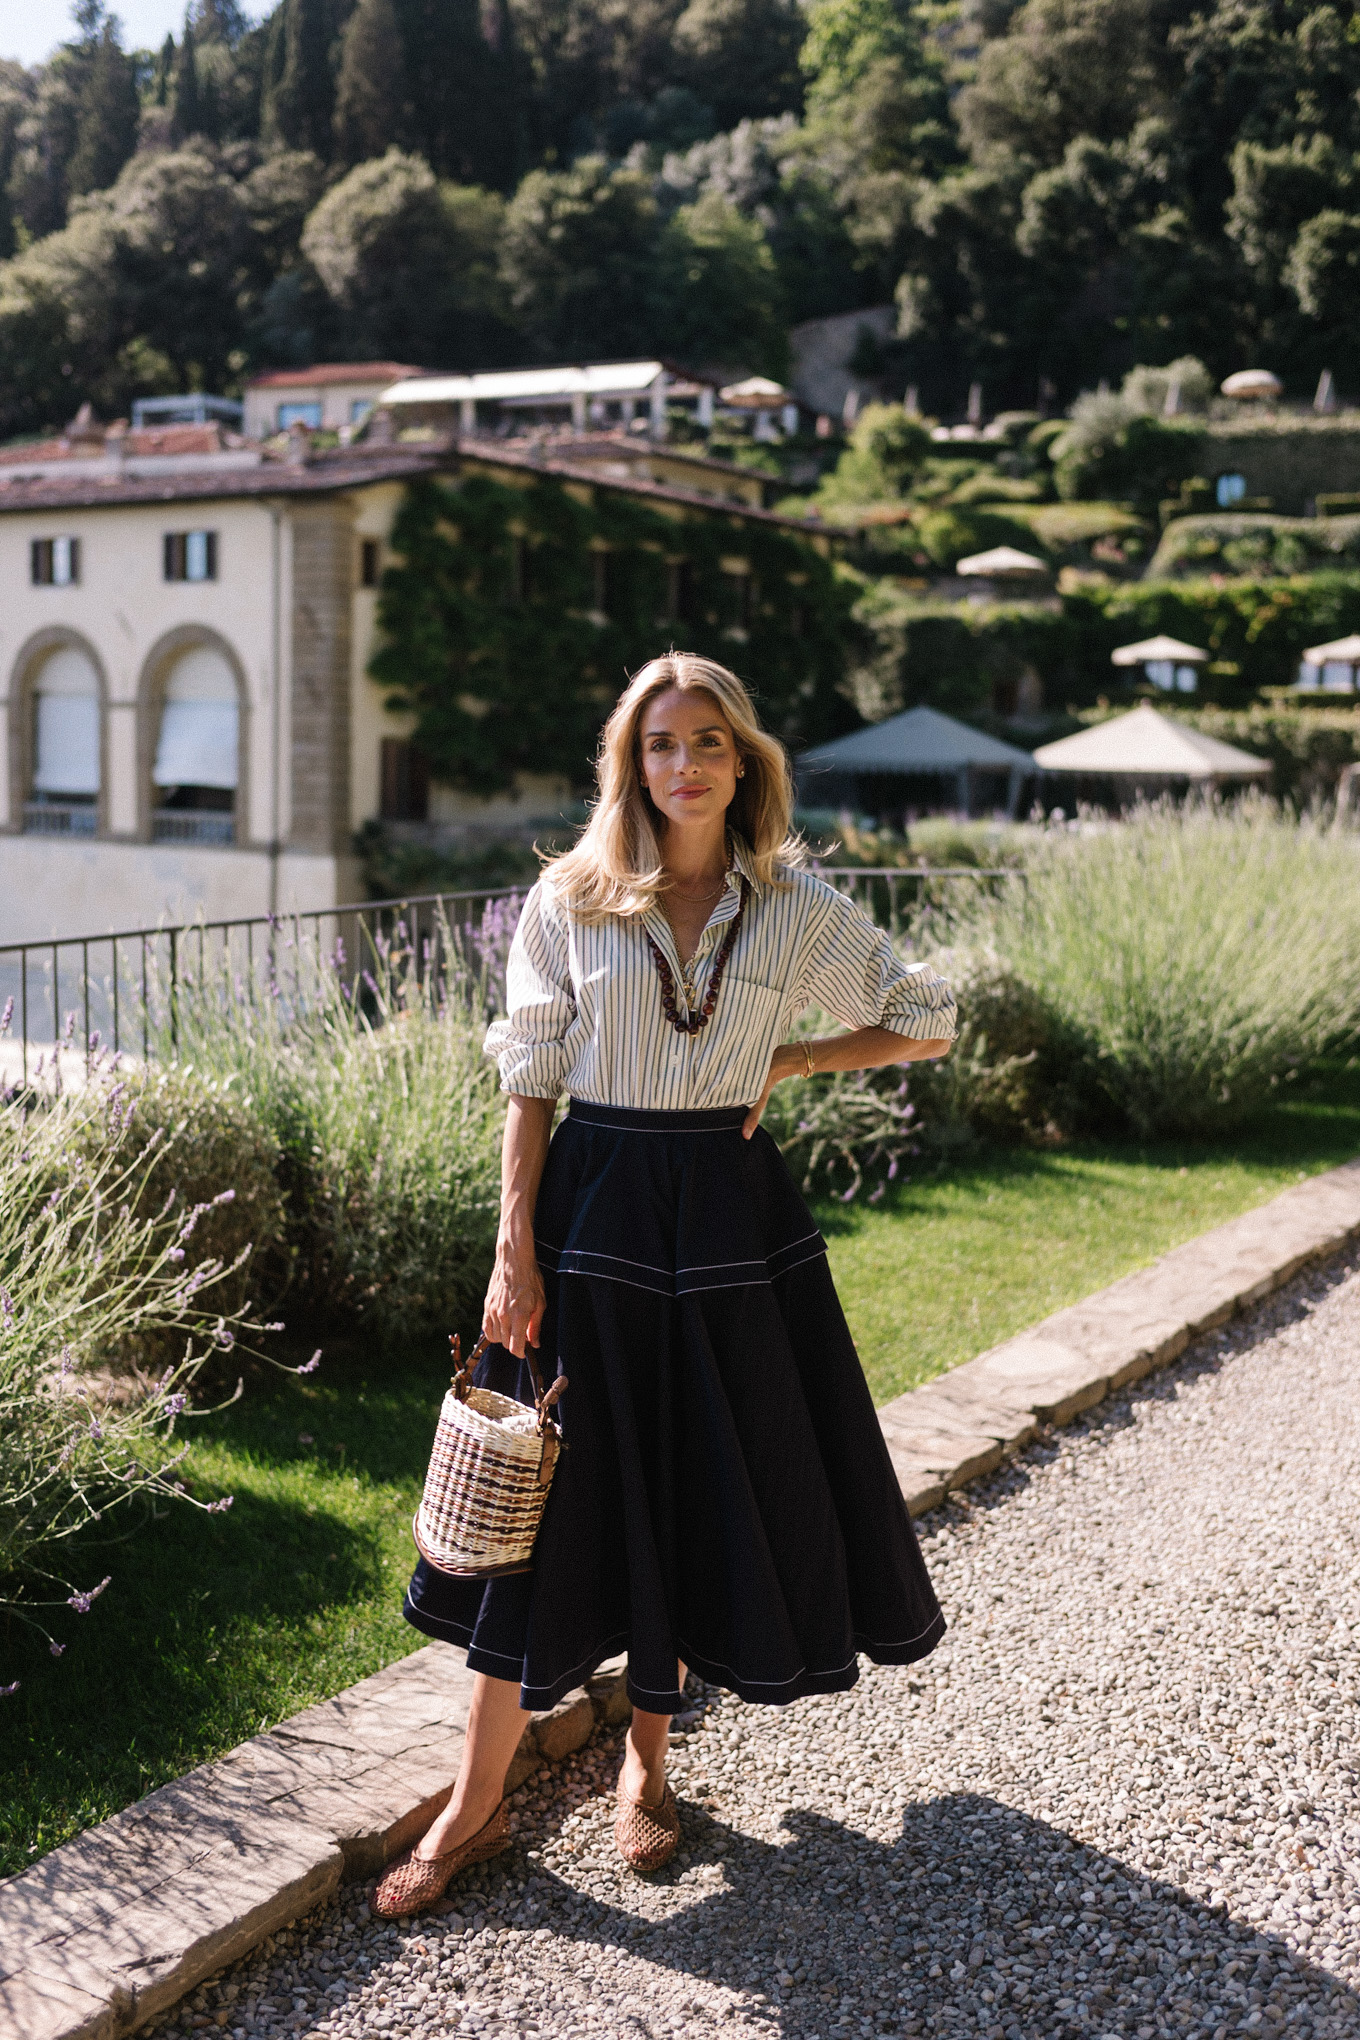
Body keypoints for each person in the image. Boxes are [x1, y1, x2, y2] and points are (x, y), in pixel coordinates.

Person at [374, 654, 956, 1916]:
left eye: (704, 741)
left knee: (688, 1486)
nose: (681, 764)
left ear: (741, 759)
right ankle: (471, 1808)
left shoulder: (794, 905)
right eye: (657, 745)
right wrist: (509, 1245)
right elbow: (530, 1076)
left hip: (731, 1225)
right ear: (627, 765)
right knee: (530, 1510)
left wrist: (793, 1058)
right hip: (592, 1215)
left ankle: (646, 1773)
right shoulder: (571, 899)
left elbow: (926, 1015)